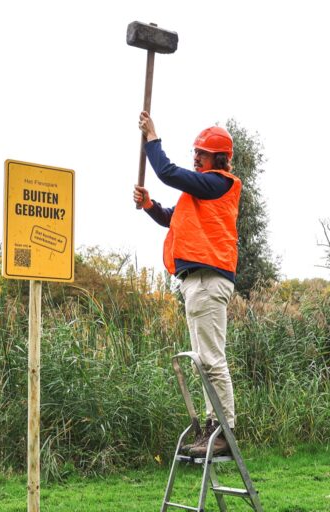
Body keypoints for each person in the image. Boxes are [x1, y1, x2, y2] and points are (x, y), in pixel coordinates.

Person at [133, 111, 241, 457]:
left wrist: (152, 138)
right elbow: (172, 219)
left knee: (212, 360)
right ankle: (214, 429)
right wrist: (149, 205)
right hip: (197, 282)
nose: (196, 157)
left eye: (202, 153)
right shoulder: (201, 192)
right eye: (195, 152)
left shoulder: (219, 183)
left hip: (209, 280)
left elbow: (166, 172)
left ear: (219, 159)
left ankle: (224, 431)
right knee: (204, 362)